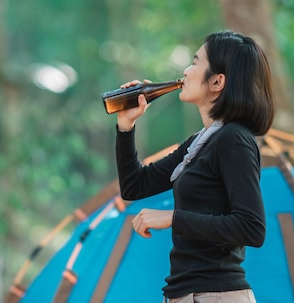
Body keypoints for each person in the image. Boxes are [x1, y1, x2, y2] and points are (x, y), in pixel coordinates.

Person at [115, 30, 275, 303]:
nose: (186, 72)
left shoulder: (234, 139)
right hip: (185, 294)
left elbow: (252, 227)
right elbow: (135, 186)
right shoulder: (200, 143)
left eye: (195, 62)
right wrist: (126, 125)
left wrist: (173, 217)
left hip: (216, 295)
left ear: (216, 81)